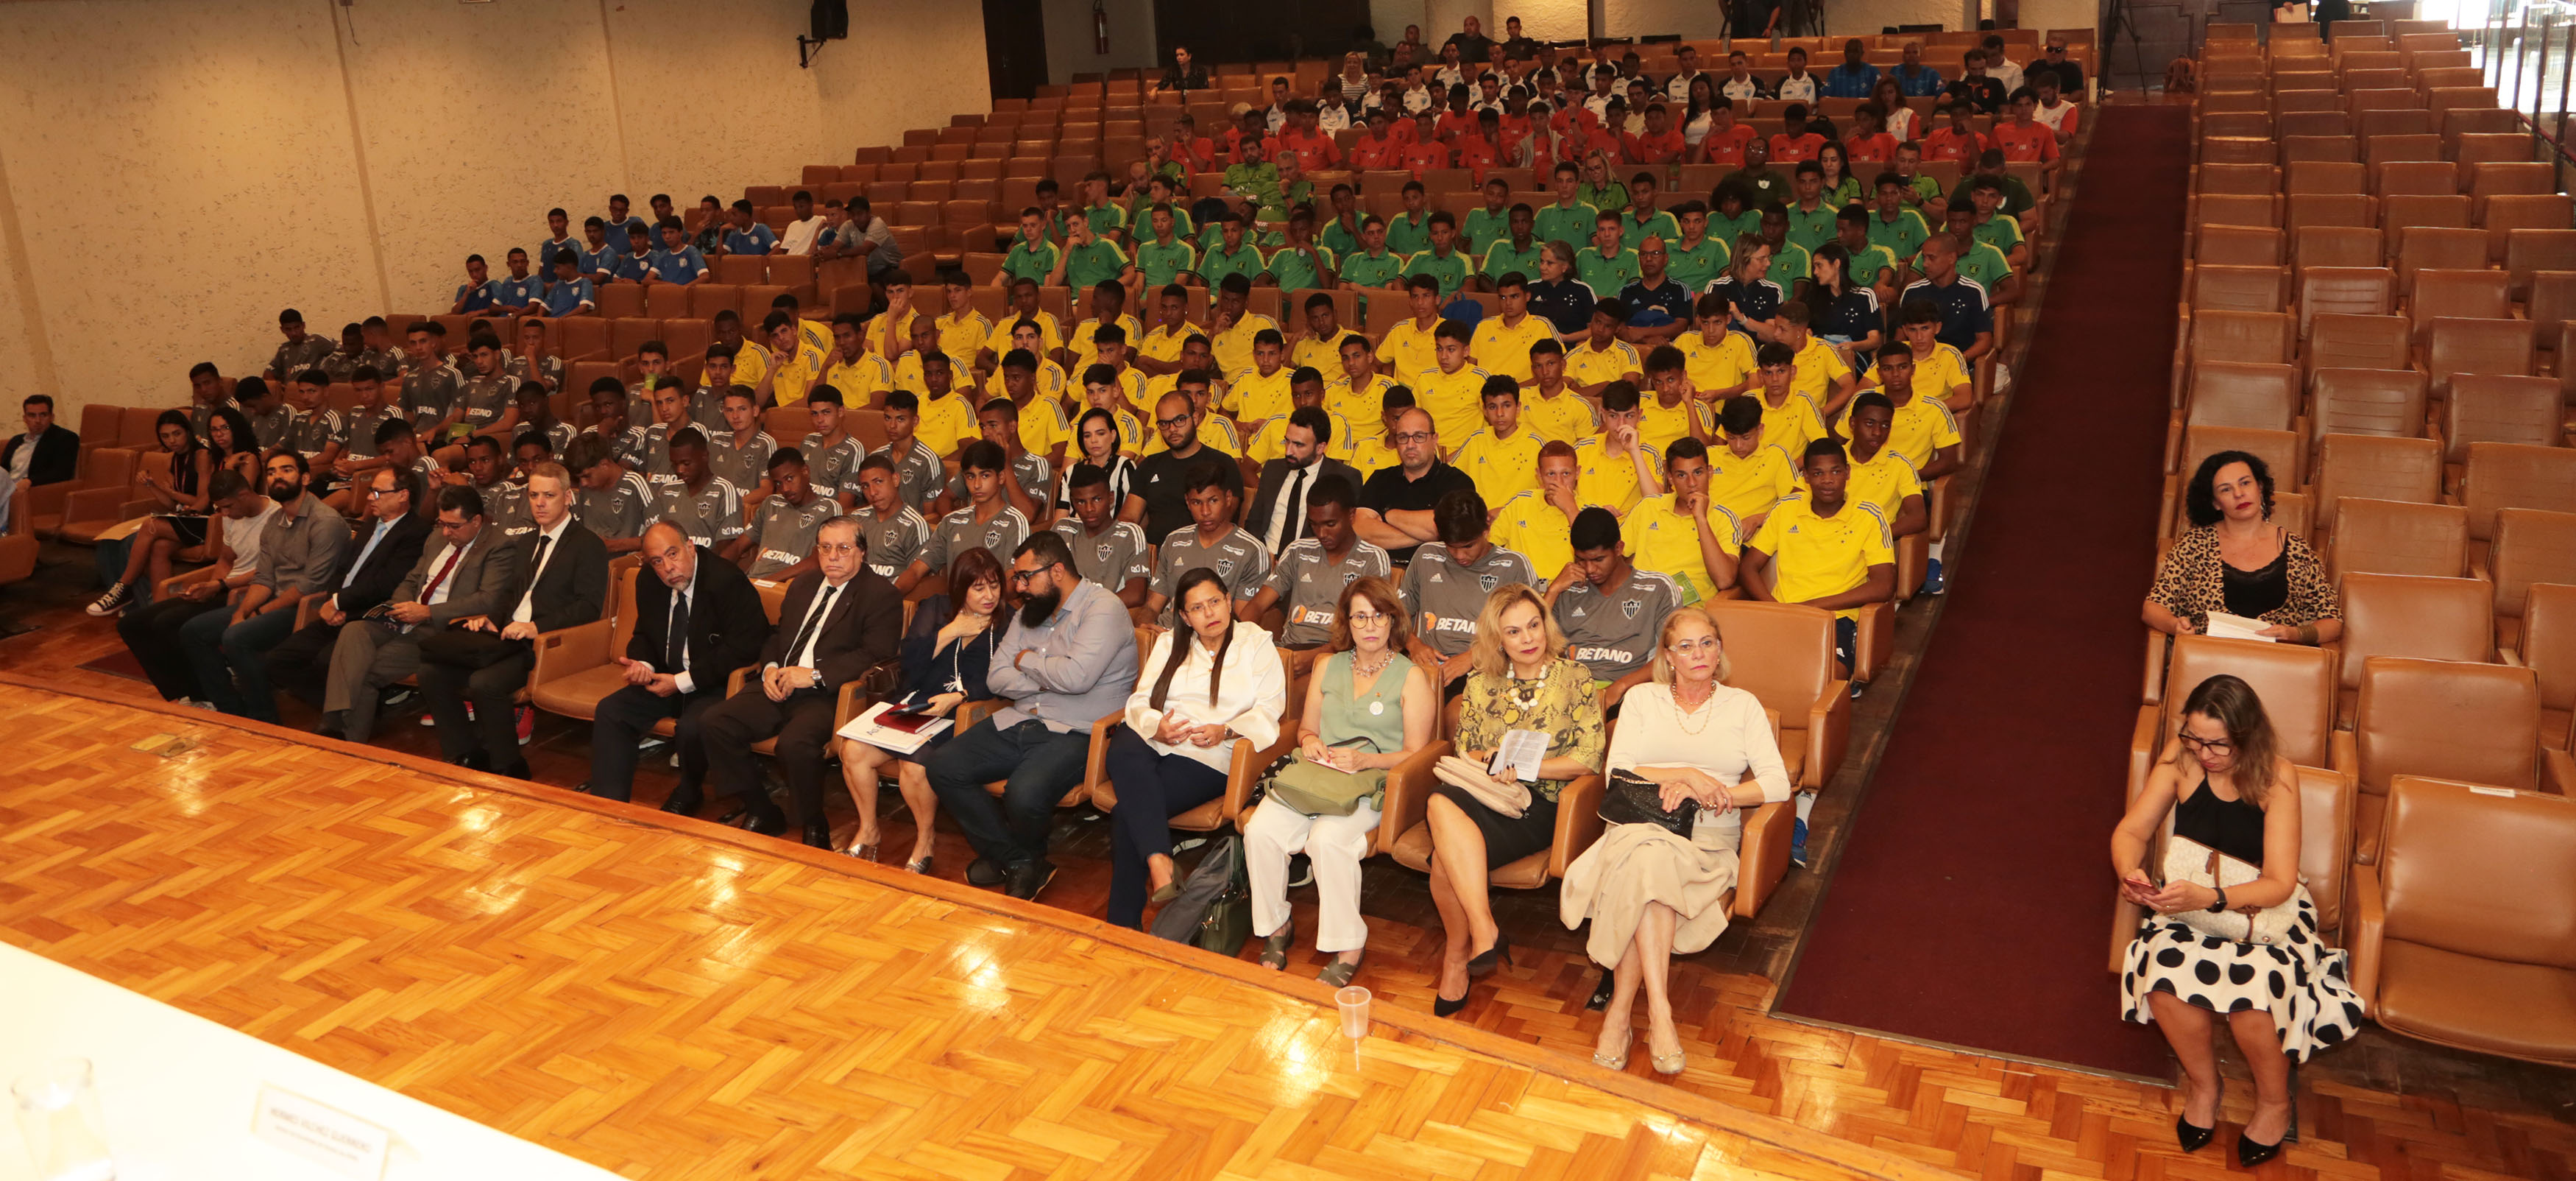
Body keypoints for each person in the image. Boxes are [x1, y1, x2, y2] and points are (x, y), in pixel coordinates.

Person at [2113, 675, 2363, 1168]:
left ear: (2247, 737)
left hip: (2259, 911)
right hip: (2191, 901)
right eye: (2193, 738)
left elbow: (2279, 883)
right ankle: (2206, 1088)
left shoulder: (2276, 776)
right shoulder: (2180, 759)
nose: (2203, 753)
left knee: (2253, 1002)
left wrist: (2213, 897)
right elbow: (2132, 830)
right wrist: (2131, 872)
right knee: (2163, 979)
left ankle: (2274, 1102)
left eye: (2217, 745)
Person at [1560, 606, 1790, 1074]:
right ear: (1668, 656)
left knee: (1646, 871)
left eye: (1707, 642)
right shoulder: (1643, 699)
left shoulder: (1743, 706)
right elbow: (1617, 770)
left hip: (1706, 837)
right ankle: (1660, 1013)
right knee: (1649, 857)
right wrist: (1686, 774)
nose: (1698, 653)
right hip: (1639, 826)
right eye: (1685, 646)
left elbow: (1777, 785)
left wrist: (1711, 792)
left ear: (1720, 648)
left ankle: (1621, 1014)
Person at [926, 532, 1143, 900]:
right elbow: (997, 676)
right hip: (1021, 718)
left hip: (1079, 732)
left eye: (1026, 577)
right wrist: (1046, 683)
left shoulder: (1103, 608)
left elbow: (1076, 678)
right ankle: (1019, 860)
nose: (1019, 587)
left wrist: (1026, 661)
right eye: (1018, 577)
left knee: (1024, 794)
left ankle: (1015, 859)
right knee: (943, 765)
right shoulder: (1031, 611)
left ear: (1057, 571)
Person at [1423, 584, 1607, 1017]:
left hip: (1540, 805)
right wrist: (1487, 759)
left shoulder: (1576, 678)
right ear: (1497, 639)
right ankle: (1482, 931)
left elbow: (1588, 760)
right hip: (1484, 793)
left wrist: (1528, 769)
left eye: (1533, 625)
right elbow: (1463, 747)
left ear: (1546, 624)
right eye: (1514, 632)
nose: (1528, 639)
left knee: (1441, 860)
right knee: (1438, 801)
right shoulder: (1481, 682)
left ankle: (1458, 956)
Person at [1243, 576, 1429, 985]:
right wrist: (1310, 743)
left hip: (1373, 783)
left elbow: (1418, 753)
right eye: (1360, 616)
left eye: (1379, 616)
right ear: (1347, 621)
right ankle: (1276, 926)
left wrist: (1367, 760)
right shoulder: (1328, 666)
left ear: (1393, 621)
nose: (1369, 625)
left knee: (1327, 840)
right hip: (1318, 774)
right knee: (1259, 831)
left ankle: (1349, 942)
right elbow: (1306, 728)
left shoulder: (1411, 677)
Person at [684, 517, 899, 846]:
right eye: (825, 548)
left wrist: (813, 675)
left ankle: (814, 821)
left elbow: (875, 654)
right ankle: (761, 808)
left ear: (862, 553)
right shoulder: (803, 585)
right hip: (779, 682)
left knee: (794, 744)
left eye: (843, 548)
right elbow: (777, 635)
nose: (833, 556)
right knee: (713, 722)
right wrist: (770, 667)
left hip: (828, 694)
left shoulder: (880, 594)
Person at [1103, 568, 1288, 928]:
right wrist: (1158, 726)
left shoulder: (1256, 643)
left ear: (1230, 601)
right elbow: (1140, 700)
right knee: (1124, 744)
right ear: (1185, 616)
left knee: (1128, 813)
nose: (1210, 614)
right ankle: (1160, 861)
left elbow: (1270, 709)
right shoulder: (1171, 642)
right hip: (1156, 741)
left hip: (1208, 755)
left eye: (1215, 602)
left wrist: (1227, 730)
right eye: (1197, 609)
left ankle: (1124, 921)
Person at [418, 462, 606, 777]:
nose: (540, 503)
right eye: (534, 495)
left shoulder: (588, 545)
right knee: (430, 671)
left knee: (484, 683)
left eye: (549, 495)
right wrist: (492, 619)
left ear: (568, 497)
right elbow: (510, 591)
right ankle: (466, 753)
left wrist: (535, 627)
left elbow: (588, 607)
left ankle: (509, 766)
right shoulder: (528, 541)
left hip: (545, 643)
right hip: (504, 635)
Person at [838, 546, 1008, 872]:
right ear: (960, 588)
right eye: (978, 587)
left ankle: (925, 838)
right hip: (917, 703)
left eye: (994, 585)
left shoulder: (1009, 621)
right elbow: (910, 664)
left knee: (914, 768)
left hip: (963, 713)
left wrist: (961, 696)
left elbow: (1006, 679)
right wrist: (950, 632)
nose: (989, 595)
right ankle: (869, 829)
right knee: (854, 751)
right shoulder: (936, 608)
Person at [585, 522, 773, 804]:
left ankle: (690, 790)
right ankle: (608, 804)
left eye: (673, 554)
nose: (668, 568)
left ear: (690, 547)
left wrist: (681, 683)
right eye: (657, 561)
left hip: (713, 681)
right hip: (664, 676)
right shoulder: (649, 579)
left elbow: (744, 648)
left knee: (692, 727)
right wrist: (643, 665)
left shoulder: (726, 581)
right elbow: (644, 632)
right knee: (612, 710)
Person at [322, 485, 518, 743]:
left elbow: (487, 599)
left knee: (365, 671)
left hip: (440, 631)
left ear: (477, 521)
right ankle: (335, 726)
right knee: (354, 630)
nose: (446, 532)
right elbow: (412, 579)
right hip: (406, 619)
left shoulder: (499, 546)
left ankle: (343, 734)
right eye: (442, 523)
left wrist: (427, 612)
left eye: (454, 526)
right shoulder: (436, 538)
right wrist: (400, 606)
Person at [184, 450, 352, 722]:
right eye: (272, 472)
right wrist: (242, 613)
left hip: (306, 606)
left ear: (306, 477)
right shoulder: (275, 521)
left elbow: (310, 586)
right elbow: (264, 577)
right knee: (195, 631)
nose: (278, 477)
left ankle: (263, 717)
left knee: (236, 637)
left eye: (286, 470)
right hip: (274, 599)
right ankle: (230, 709)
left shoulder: (325, 522)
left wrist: (258, 614)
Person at [261, 466, 433, 730]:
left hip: (369, 617)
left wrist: (340, 603)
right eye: (370, 491)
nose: (369, 497)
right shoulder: (371, 525)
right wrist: (333, 601)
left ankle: (345, 720)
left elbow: (387, 584)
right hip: (338, 611)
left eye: (378, 492)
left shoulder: (417, 533)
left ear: (403, 496)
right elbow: (343, 569)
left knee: (326, 660)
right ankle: (358, 712)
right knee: (278, 661)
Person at [2145, 452, 2340, 645]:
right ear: (2215, 503)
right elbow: (2152, 608)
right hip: (2211, 659)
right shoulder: (2194, 544)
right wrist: (2174, 625)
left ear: (2260, 487)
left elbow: (2332, 621)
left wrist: (2295, 634)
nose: (2239, 494)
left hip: (2277, 665)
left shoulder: (2297, 549)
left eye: (2245, 483)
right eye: (2225, 490)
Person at [1740, 440, 1896, 680]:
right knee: (1743, 673)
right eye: (1818, 473)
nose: (1828, 480)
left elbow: (1884, 586)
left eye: (1835, 471)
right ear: (1806, 477)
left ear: (1847, 473)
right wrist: (1774, 608)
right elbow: (1749, 566)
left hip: (1836, 619)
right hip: (1782, 614)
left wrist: (1811, 608)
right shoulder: (1786, 508)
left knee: (1820, 678)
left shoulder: (1870, 515)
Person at [113, 472, 272, 705]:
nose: (224, 514)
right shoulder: (231, 517)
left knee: (167, 622)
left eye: (227, 507)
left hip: (251, 589)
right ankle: (181, 692)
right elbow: (226, 560)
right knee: (131, 624)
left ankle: (207, 695)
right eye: (220, 508)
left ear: (245, 495)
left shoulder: (275, 517)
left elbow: (269, 571)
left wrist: (220, 585)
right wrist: (212, 586)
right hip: (225, 585)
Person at [1146, 462, 1268, 622]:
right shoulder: (1173, 541)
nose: (1205, 512)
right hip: (1167, 635)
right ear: (1188, 503)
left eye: (1213, 501)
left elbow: (1241, 624)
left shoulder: (1252, 550)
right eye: (1197, 502)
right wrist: (1146, 628)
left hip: (1215, 639)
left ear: (1228, 498)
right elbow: (1152, 606)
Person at [1354, 407, 1474, 563]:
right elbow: (1361, 531)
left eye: (1419, 436)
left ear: (1434, 439)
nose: (1410, 445)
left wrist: (1389, 515)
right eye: (1403, 437)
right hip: (1381, 574)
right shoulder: (1379, 478)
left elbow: (1455, 528)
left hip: (1436, 573)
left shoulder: (1457, 482)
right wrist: (1430, 534)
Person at [1246, 406, 1361, 556]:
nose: (1289, 451)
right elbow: (1255, 521)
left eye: (1299, 445)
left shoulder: (1344, 477)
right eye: (1287, 442)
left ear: (1320, 448)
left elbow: (1346, 534)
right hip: (1266, 558)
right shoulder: (1272, 469)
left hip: (1312, 563)